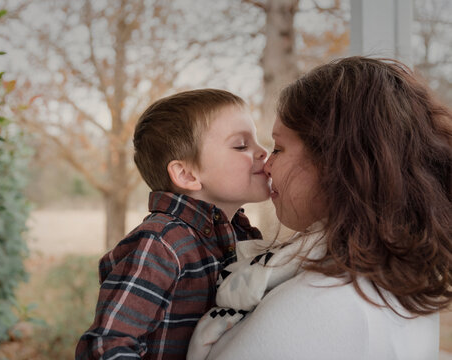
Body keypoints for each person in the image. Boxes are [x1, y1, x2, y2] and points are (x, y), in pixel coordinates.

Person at [188, 56, 452, 360]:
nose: (267, 165)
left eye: (279, 148)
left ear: (332, 162)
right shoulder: (402, 283)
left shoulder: (322, 304)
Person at [75, 89, 271, 360]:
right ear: (186, 174)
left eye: (258, 141)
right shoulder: (161, 243)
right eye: (241, 145)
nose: (264, 152)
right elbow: (106, 346)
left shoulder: (241, 235)